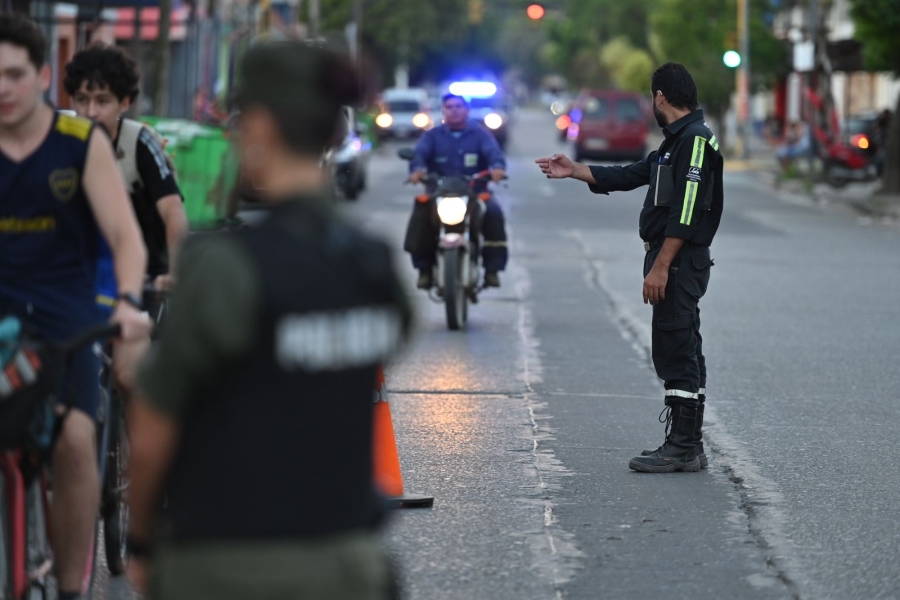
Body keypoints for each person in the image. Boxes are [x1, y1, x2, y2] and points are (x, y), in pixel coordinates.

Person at [126, 40, 412, 600]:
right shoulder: (373, 267)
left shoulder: (223, 268)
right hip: (350, 567)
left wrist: (139, 543)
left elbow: (153, 432)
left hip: (228, 565)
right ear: (334, 134)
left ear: (257, 127)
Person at [0, 14, 151, 599]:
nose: (3, 88)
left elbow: (125, 239)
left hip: (66, 316)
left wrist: (130, 302)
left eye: (14, 74)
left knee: (72, 440)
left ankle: (68, 587)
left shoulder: (79, 144)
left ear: (40, 76)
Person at [535, 63, 723, 474]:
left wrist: (660, 266)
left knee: (676, 348)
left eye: (650, 98)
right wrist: (575, 171)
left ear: (660, 96)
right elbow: (631, 174)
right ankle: (688, 443)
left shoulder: (694, 142)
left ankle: (683, 447)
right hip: (674, 260)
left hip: (677, 261)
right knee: (682, 345)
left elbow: (687, 213)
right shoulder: (676, 143)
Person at [64, 44, 188, 293]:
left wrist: (175, 272)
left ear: (124, 103)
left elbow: (172, 209)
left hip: (142, 278)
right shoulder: (61, 142)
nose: (90, 112)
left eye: (102, 101)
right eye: (82, 100)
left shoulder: (138, 142)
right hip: (77, 277)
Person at [406, 93, 508, 289]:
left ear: (466, 110)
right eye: (449, 106)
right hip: (439, 193)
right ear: (443, 110)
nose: (454, 110)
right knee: (420, 213)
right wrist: (417, 170)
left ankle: (492, 270)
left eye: (458, 106)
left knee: (494, 213)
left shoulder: (480, 135)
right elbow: (418, 156)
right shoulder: (432, 136)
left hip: (474, 193)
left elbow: (494, 154)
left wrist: (497, 168)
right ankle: (424, 270)